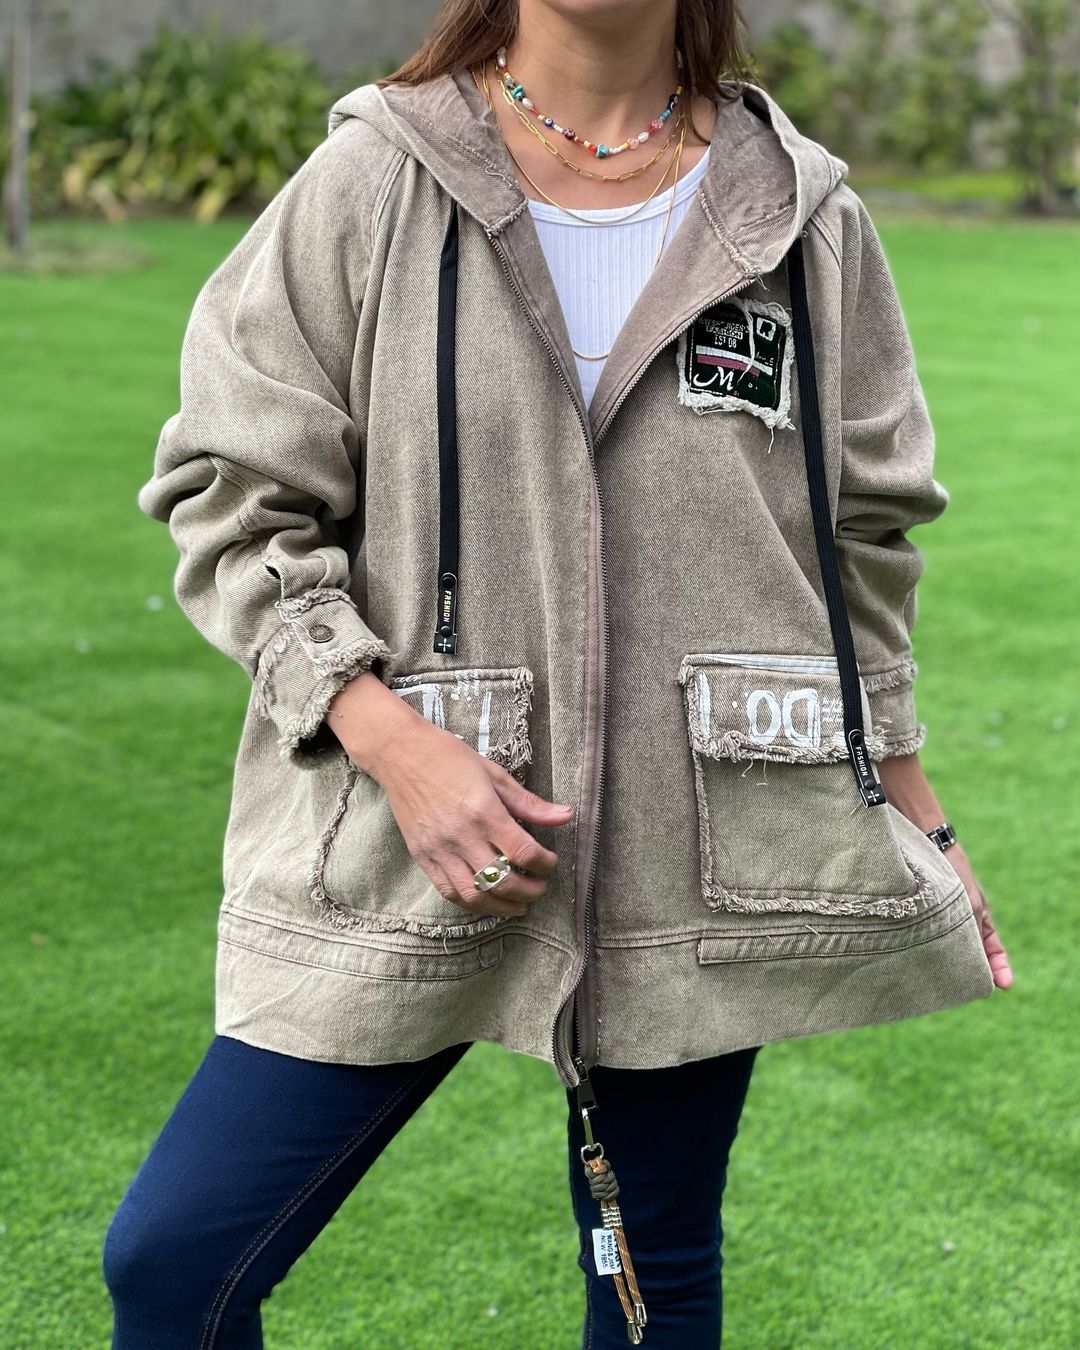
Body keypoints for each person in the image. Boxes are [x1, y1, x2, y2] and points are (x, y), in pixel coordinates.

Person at [101, 1, 1013, 1345]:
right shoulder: (374, 179)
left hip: (694, 849)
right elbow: (232, 492)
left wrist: (911, 803)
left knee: (650, 1279)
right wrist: (387, 736)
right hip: (403, 836)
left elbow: (860, 544)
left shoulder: (800, 216)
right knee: (176, 1261)